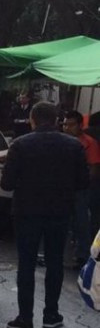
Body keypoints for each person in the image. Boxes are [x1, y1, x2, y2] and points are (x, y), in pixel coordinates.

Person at [2, 102, 89, 328]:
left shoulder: (20, 145)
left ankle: (25, 318)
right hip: (59, 212)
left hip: (26, 213)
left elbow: (7, 184)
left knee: (27, 264)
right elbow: (83, 182)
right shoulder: (74, 146)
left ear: (32, 119)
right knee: (54, 263)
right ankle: (51, 314)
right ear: (57, 120)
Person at [63, 111, 100, 268]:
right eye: (64, 124)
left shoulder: (89, 143)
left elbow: (93, 168)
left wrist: (81, 184)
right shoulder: (61, 141)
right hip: (62, 188)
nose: (67, 128)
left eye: (70, 124)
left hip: (80, 190)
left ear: (80, 125)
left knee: (81, 222)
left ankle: (82, 255)